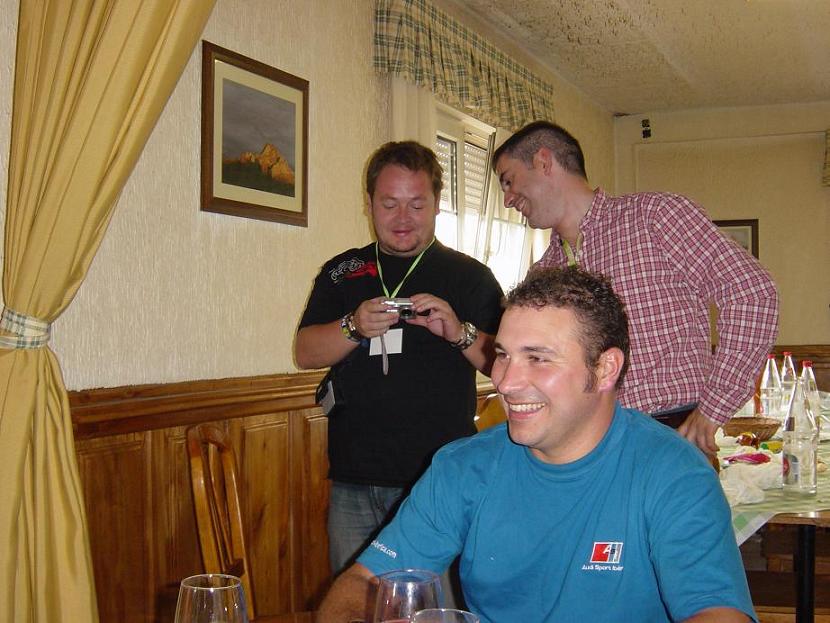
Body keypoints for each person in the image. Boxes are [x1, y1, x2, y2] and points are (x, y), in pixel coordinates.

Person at [316, 267, 756, 623]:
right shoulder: (464, 466)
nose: (506, 382)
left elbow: (718, 612)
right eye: (503, 355)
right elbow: (362, 584)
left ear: (605, 369)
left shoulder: (674, 473)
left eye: (538, 358)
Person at [492, 120, 778, 456]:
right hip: (580, 446)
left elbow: (752, 292)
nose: (508, 200)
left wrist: (714, 408)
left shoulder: (655, 217)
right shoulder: (543, 271)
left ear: (543, 161)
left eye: (509, 181)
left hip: (670, 436)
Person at [295, 140, 504, 575]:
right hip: (354, 479)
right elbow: (305, 352)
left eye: (417, 205)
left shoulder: (470, 276)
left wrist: (459, 332)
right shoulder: (342, 271)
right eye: (389, 204)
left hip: (439, 480)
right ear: (369, 203)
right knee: (355, 602)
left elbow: (504, 366)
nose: (403, 218)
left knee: (436, 603)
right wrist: (352, 326)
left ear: (437, 205)